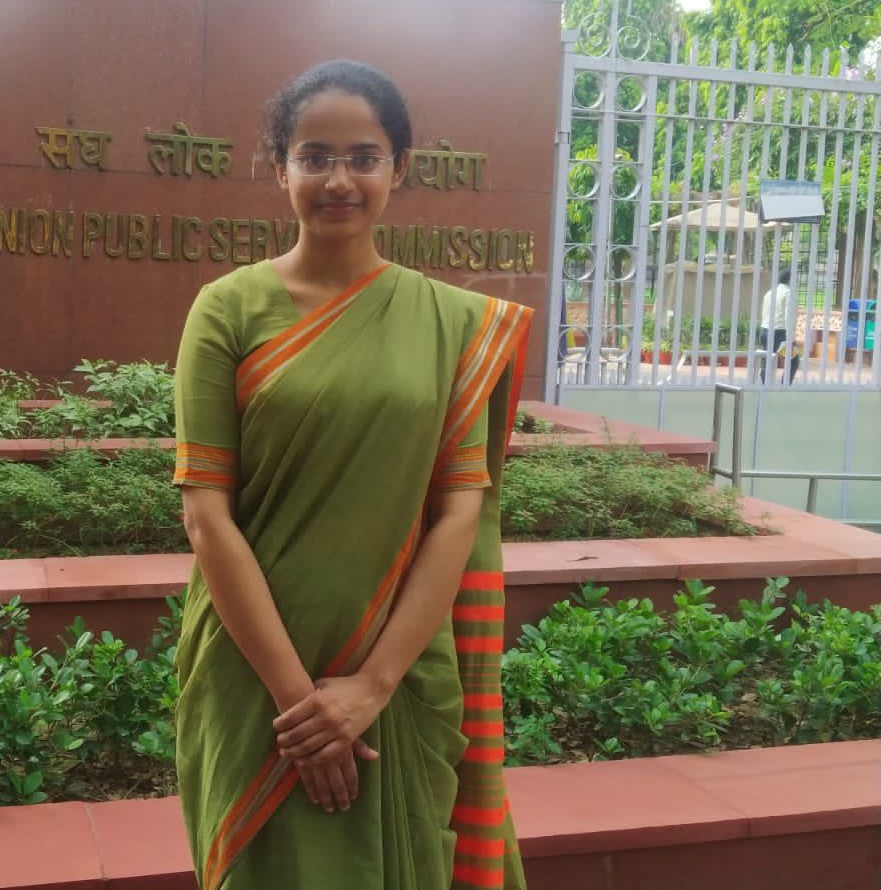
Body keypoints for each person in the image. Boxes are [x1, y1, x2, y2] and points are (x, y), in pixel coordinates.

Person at [172, 59, 533, 890]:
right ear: (281, 168)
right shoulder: (226, 310)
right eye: (314, 157)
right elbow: (205, 516)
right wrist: (300, 706)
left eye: (364, 157)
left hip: (397, 676)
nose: (339, 179)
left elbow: (458, 512)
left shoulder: (448, 322)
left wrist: (370, 687)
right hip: (253, 678)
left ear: (399, 168)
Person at [758, 268, 798, 384]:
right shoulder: (788, 294)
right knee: (793, 361)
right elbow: (789, 317)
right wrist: (790, 338)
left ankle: (765, 383)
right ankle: (785, 384)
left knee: (768, 359)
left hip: (765, 330)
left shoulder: (769, 293)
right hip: (780, 333)